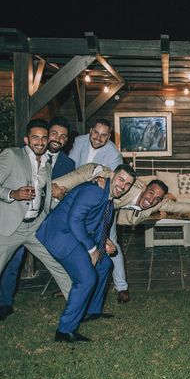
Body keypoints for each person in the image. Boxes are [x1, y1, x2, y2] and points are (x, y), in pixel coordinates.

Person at [0, 119, 72, 346]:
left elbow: (44, 196)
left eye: (44, 138)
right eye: (35, 137)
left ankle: (76, 312)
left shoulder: (47, 164)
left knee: (59, 265)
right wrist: (12, 194)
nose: (41, 142)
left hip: (34, 226)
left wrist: (55, 198)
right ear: (27, 139)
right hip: (8, 228)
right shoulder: (12, 156)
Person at [36, 164, 136, 343]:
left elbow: (97, 225)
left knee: (105, 263)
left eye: (128, 184)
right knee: (86, 278)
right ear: (112, 175)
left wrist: (104, 243)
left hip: (74, 234)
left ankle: (93, 311)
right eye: (121, 179)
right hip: (61, 234)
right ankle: (64, 330)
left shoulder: (108, 197)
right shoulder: (95, 191)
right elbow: (74, 220)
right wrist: (92, 249)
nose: (123, 185)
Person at [0, 116, 76, 322]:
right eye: (55, 134)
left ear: (66, 141)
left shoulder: (69, 163)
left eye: (63, 136)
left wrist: (62, 195)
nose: (58, 139)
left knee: (59, 258)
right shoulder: (23, 156)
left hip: (49, 220)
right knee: (12, 262)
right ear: (46, 136)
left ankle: (72, 302)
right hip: (19, 219)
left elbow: (70, 191)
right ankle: (5, 303)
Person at [69, 118, 130, 304]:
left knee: (110, 242)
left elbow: (115, 182)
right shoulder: (79, 141)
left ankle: (122, 286)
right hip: (77, 199)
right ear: (91, 130)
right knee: (76, 243)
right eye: (96, 133)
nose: (98, 138)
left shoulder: (114, 154)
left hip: (102, 204)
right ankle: (75, 283)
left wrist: (102, 178)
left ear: (109, 136)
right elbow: (71, 169)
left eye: (104, 135)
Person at [53, 163, 190, 226]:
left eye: (157, 198)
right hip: (89, 174)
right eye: (151, 193)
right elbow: (110, 173)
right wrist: (99, 175)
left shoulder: (156, 203)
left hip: (103, 212)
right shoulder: (130, 186)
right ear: (144, 188)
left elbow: (178, 206)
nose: (151, 200)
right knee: (51, 190)